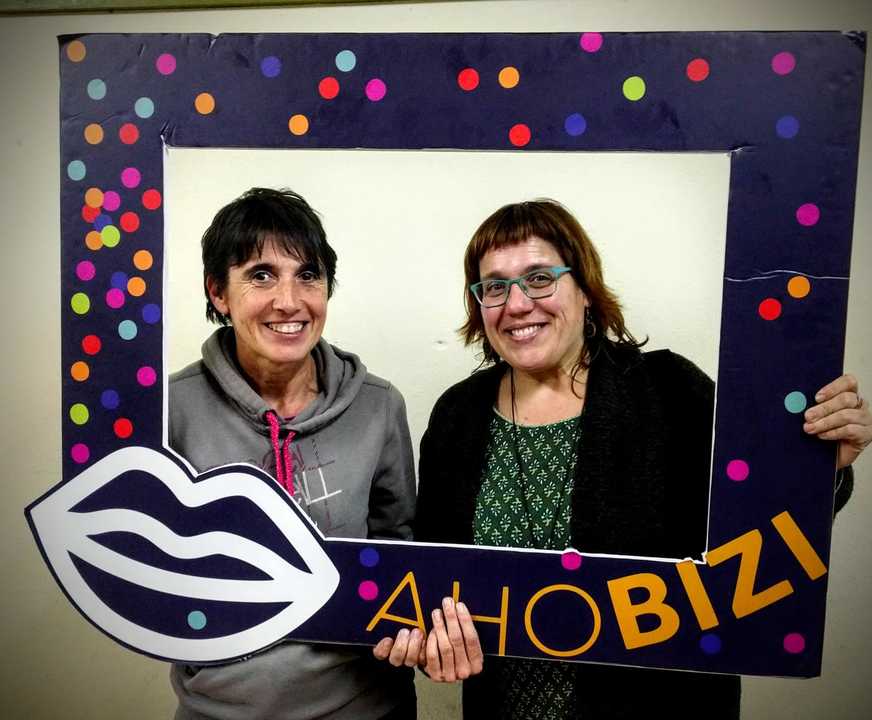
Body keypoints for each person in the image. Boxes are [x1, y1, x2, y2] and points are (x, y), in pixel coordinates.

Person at [380, 199, 871, 718]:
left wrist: (819, 467)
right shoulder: (457, 415)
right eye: (495, 287)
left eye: (540, 278)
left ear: (585, 289)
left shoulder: (671, 391)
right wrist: (430, 639)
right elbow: (435, 580)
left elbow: (756, 535)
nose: (517, 304)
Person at [168, 188, 417, 720]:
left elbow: (401, 556)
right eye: (261, 275)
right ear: (218, 292)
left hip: (367, 706)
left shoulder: (379, 406)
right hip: (219, 710)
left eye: (308, 275)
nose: (289, 300)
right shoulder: (170, 411)